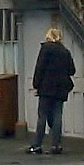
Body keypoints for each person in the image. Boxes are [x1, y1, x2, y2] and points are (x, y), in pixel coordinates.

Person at [30, 27, 76, 155]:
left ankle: (37, 145)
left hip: (46, 88)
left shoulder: (45, 49)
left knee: (42, 116)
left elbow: (39, 68)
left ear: (48, 36)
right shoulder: (65, 51)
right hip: (61, 89)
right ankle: (56, 145)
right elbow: (72, 70)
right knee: (57, 116)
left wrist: (36, 85)